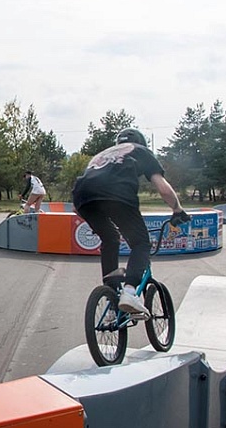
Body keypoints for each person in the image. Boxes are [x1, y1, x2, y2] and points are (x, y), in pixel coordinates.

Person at [72, 128, 190, 315]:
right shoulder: (140, 150)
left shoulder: (102, 155)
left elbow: (77, 206)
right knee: (141, 243)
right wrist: (177, 209)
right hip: (116, 195)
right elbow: (162, 187)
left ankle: (111, 296)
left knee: (110, 238)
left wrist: (99, 223)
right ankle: (129, 292)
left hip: (81, 198)